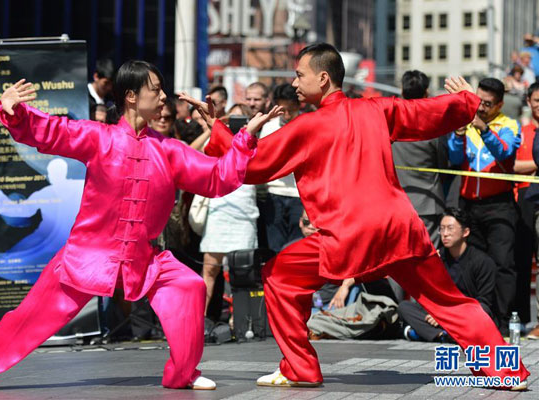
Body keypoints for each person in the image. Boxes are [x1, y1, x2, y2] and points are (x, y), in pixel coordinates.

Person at [185, 42, 529, 389]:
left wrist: (217, 130)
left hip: (348, 237)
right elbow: (424, 113)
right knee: (449, 302)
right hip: (398, 229)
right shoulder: (374, 109)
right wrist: (466, 102)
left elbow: (255, 164)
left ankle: (300, 368)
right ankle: (508, 372)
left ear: (322, 78)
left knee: (279, 277)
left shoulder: (307, 126)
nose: (295, 81)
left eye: (299, 74)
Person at [0, 61, 281, 392]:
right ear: (131, 96)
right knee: (32, 315)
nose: (164, 97)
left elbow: (216, 178)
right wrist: (14, 112)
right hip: (88, 253)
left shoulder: (168, 151)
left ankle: (184, 373)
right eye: (156, 89)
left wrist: (244, 139)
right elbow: (50, 131)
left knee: (189, 287)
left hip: (144, 258)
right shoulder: (98, 137)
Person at [447, 78, 521, 335]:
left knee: (502, 265)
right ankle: (473, 320)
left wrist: (484, 129)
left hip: (498, 205)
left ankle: (502, 323)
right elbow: (454, 158)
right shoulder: (467, 121)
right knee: (472, 262)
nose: (481, 108)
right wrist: (458, 133)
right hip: (468, 205)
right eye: (479, 102)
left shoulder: (509, 124)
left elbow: (505, 152)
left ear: (499, 104)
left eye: (487, 104)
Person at [399, 208, 496, 342]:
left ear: (465, 232)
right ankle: (443, 335)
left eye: (450, 228)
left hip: (465, 313)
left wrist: (446, 317)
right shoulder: (438, 258)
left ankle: (427, 333)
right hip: (441, 312)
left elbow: (483, 301)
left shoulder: (482, 261)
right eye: (442, 229)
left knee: (483, 311)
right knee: (405, 307)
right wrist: (431, 267)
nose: (445, 234)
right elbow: (429, 295)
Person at [200, 104, 260, 316]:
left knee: (242, 272)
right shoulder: (214, 140)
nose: (235, 123)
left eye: (241, 119)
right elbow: (200, 158)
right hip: (219, 210)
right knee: (209, 269)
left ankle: (243, 321)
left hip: (244, 214)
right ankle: (200, 319)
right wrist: (216, 128)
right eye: (231, 118)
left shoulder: (256, 144)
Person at [392, 70, 447, 247]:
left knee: (398, 257)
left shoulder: (390, 123)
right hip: (428, 204)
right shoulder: (433, 125)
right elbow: (443, 163)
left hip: (396, 202)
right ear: (426, 93)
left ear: (402, 91)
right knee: (428, 258)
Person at [259, 83, 304, 252]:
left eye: (290, 110)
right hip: (274, 192)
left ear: (299, 105)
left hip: (299, 193)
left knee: (297, 243)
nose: (286, 114)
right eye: (282, 109)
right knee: (275, 244)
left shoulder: (306, 124)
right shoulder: (269, 127)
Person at [517, 82, 539, 337]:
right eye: (535, 100)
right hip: (522, 196)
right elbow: (511, 165)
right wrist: (534, 163)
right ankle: (521, 319)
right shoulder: (521, 131)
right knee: (521, 260)